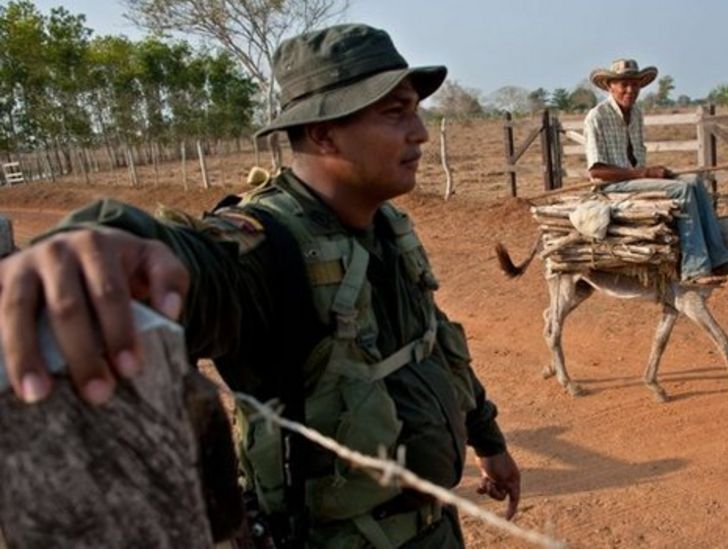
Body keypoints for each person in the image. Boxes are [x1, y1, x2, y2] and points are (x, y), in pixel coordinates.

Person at [0, 23, 520, 548]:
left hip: (436, 531)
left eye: (415, 110)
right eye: (395, 112)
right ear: (322, 132)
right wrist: (111, 244)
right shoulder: (270, 246)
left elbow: (433, 343)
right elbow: (199, 261)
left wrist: (488, 440)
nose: (421, 133)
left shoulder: (386, 227)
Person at [584, 58, 728, 283]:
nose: (630, 90)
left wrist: (649, 173)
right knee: (681, 190)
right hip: (613, 186)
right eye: (623, 84)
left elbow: (636, 159)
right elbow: (597, 172)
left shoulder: (636, 114)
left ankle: (719, 257)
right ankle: (694, 267)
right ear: (610, 86)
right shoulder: (597, 117)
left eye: (635, 85)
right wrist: (644, 174)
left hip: (635, 179)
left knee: (695, 181)